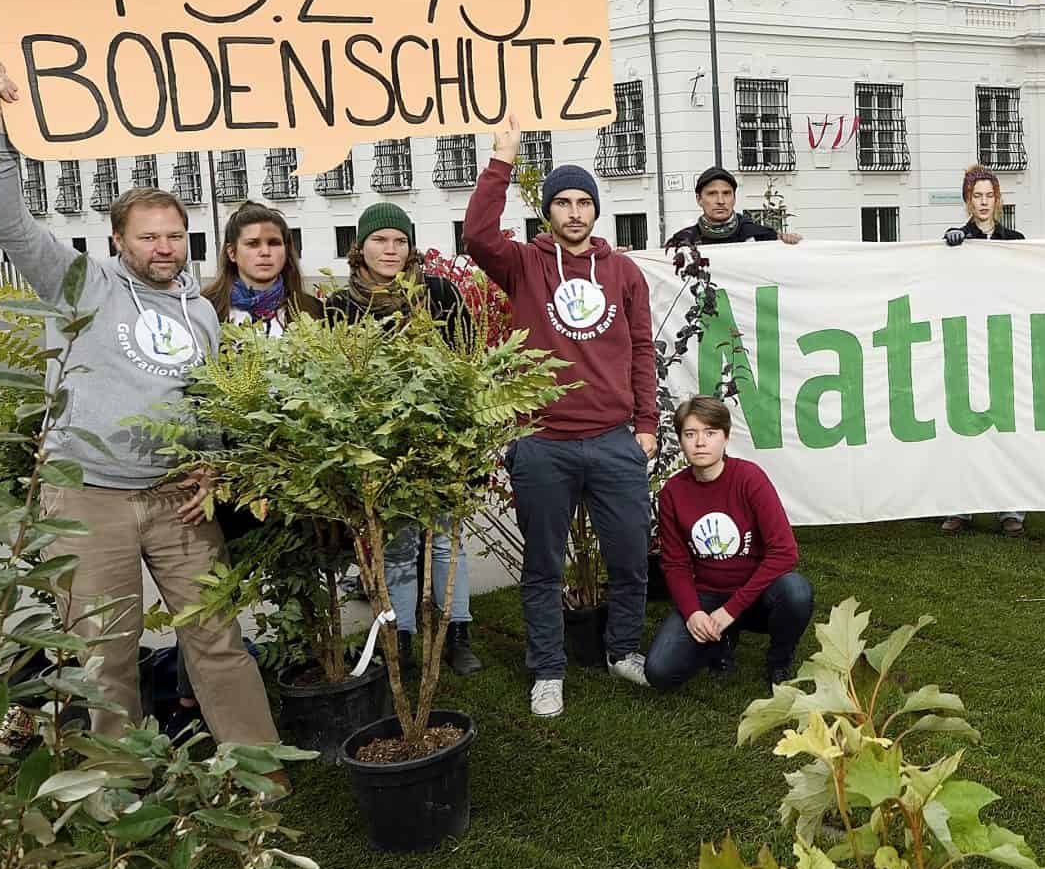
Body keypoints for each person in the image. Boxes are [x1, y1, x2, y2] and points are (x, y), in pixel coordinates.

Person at [0, 60, 279, 750]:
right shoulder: (81, 281)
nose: (164, 246)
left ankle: (261, 769)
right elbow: (5, 221)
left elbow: (209, 401)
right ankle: (115, 790)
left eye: (174, 234)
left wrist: (215, 463)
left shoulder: (200, 311)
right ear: (119, 240)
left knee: (218, 635)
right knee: (104, 653)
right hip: (89, 498)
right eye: (148, 235)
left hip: (177, 499)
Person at [464, 120, 657, 718]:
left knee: (629, 556)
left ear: (595, 210)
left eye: (583, 202)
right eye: (562, 202)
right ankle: (547, 670)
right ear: (547, 210)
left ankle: (622, 648)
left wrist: (647, 424)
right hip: (543, 443)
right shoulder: (523, 263)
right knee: (542, 566)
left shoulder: (622, 272)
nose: (574, 212)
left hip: (613, 442)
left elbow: (643, 347)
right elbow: (475, 235)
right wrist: (501, 160)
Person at [324, 202, 479, 675]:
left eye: (399, 241)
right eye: (380, 240)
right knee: (396, 545)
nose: (390, 250)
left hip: (440, 439)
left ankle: (458, 633)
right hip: (380, 448)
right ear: (361, 246)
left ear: (411, 247)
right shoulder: (341, 306)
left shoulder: (439, 293)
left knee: (446, 541)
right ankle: (403, 637)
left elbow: (468, 360)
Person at [643, 395, 814, 690]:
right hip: (708, 594)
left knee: (796, 592)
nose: (700, 443)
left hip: (758, 593)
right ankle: (719, 641)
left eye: (710, 433)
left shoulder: (749, 478)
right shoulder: (673, 491)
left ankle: (778, 661)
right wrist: (693, 612)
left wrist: (731, 610)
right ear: (681, 440)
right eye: (690, 434)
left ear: (725, 437)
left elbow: (785, 552)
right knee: (659, 672)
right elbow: (674, 563)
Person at [940, 166, 1027, 537]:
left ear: (998, 200)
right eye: (977, 196)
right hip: (968, 345)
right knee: (966, 428)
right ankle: (963, 507)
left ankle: (1012, 511)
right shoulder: (955, 242)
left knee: (1010, 428)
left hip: (1005, 341)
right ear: (967, 201)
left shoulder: (1016, 239)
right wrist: (947, 246)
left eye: (989, 195)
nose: (984, 202)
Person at [202, 203, 318, 335]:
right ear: (232, 253)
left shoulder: (313, 310)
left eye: (274, 243)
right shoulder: (205, 308)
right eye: (253, 244)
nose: (265, 252)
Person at [666, 166, 803, 249]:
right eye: (712, 194)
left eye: (726, 193)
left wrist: (790, 243)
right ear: (699, 199)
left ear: (734, 198)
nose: (720, 201)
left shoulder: (761, 236)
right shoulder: (682, 241)